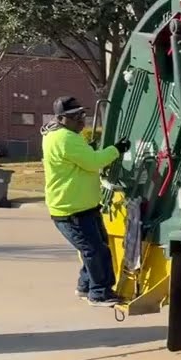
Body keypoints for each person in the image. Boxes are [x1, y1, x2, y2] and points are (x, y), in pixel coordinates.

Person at [41, 96, 130, 307]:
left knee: (94, 247)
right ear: (62, 118)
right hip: (72, 210)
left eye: (82, 114)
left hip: (81, 207)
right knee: (95, 250)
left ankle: (85, 286)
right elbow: (93, 162)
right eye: (75, 116)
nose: (82, 120)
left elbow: (81, 160)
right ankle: (99, 293)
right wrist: (116, 149)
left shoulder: (57, 135)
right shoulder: (65, 139)